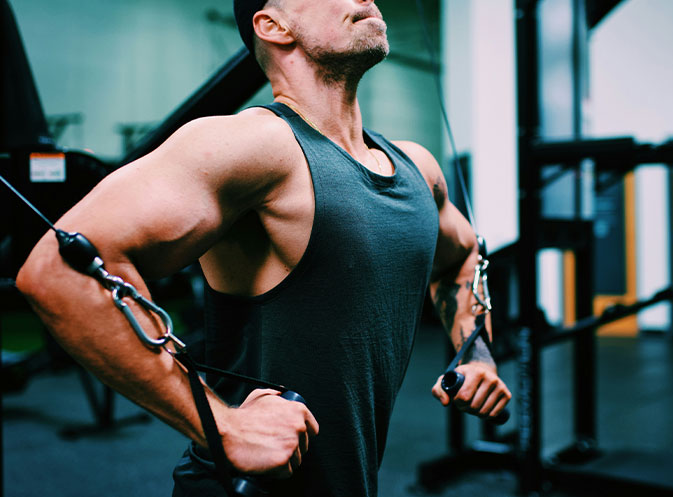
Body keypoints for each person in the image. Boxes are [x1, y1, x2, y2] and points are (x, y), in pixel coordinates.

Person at [16, 0, 512, 496]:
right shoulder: (251, 145)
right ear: (273, 25)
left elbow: (463, 257)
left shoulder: (417, 168)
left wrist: (477, 355)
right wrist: (223, 426)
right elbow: (58, 269)